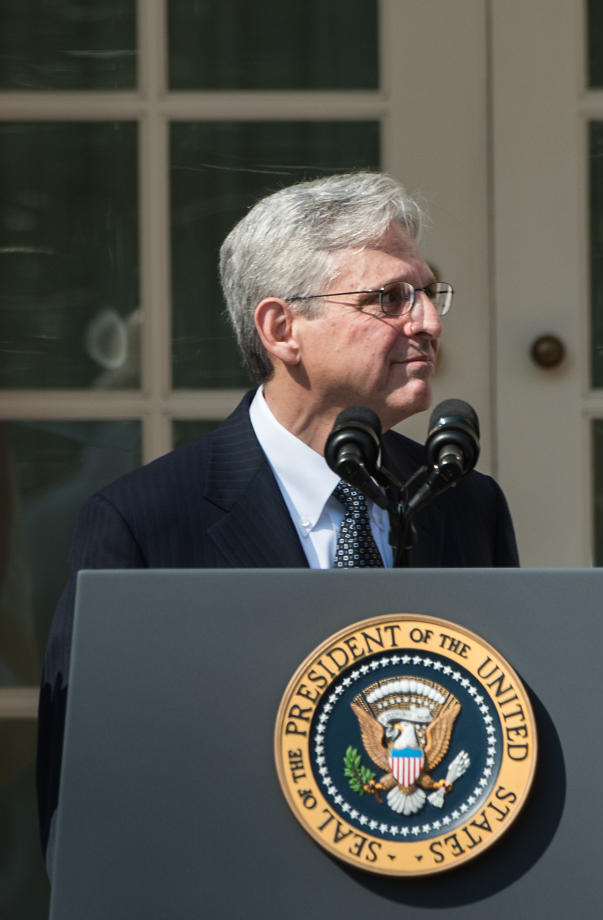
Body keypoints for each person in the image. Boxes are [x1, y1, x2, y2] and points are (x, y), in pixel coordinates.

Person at [37, 172, 518, 864]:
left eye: (428, 293)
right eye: (390, 298)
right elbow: (83, 803)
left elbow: (498, 742)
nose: (429, 322)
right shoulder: (143, 522)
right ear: (281, 328)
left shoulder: (463, 501)